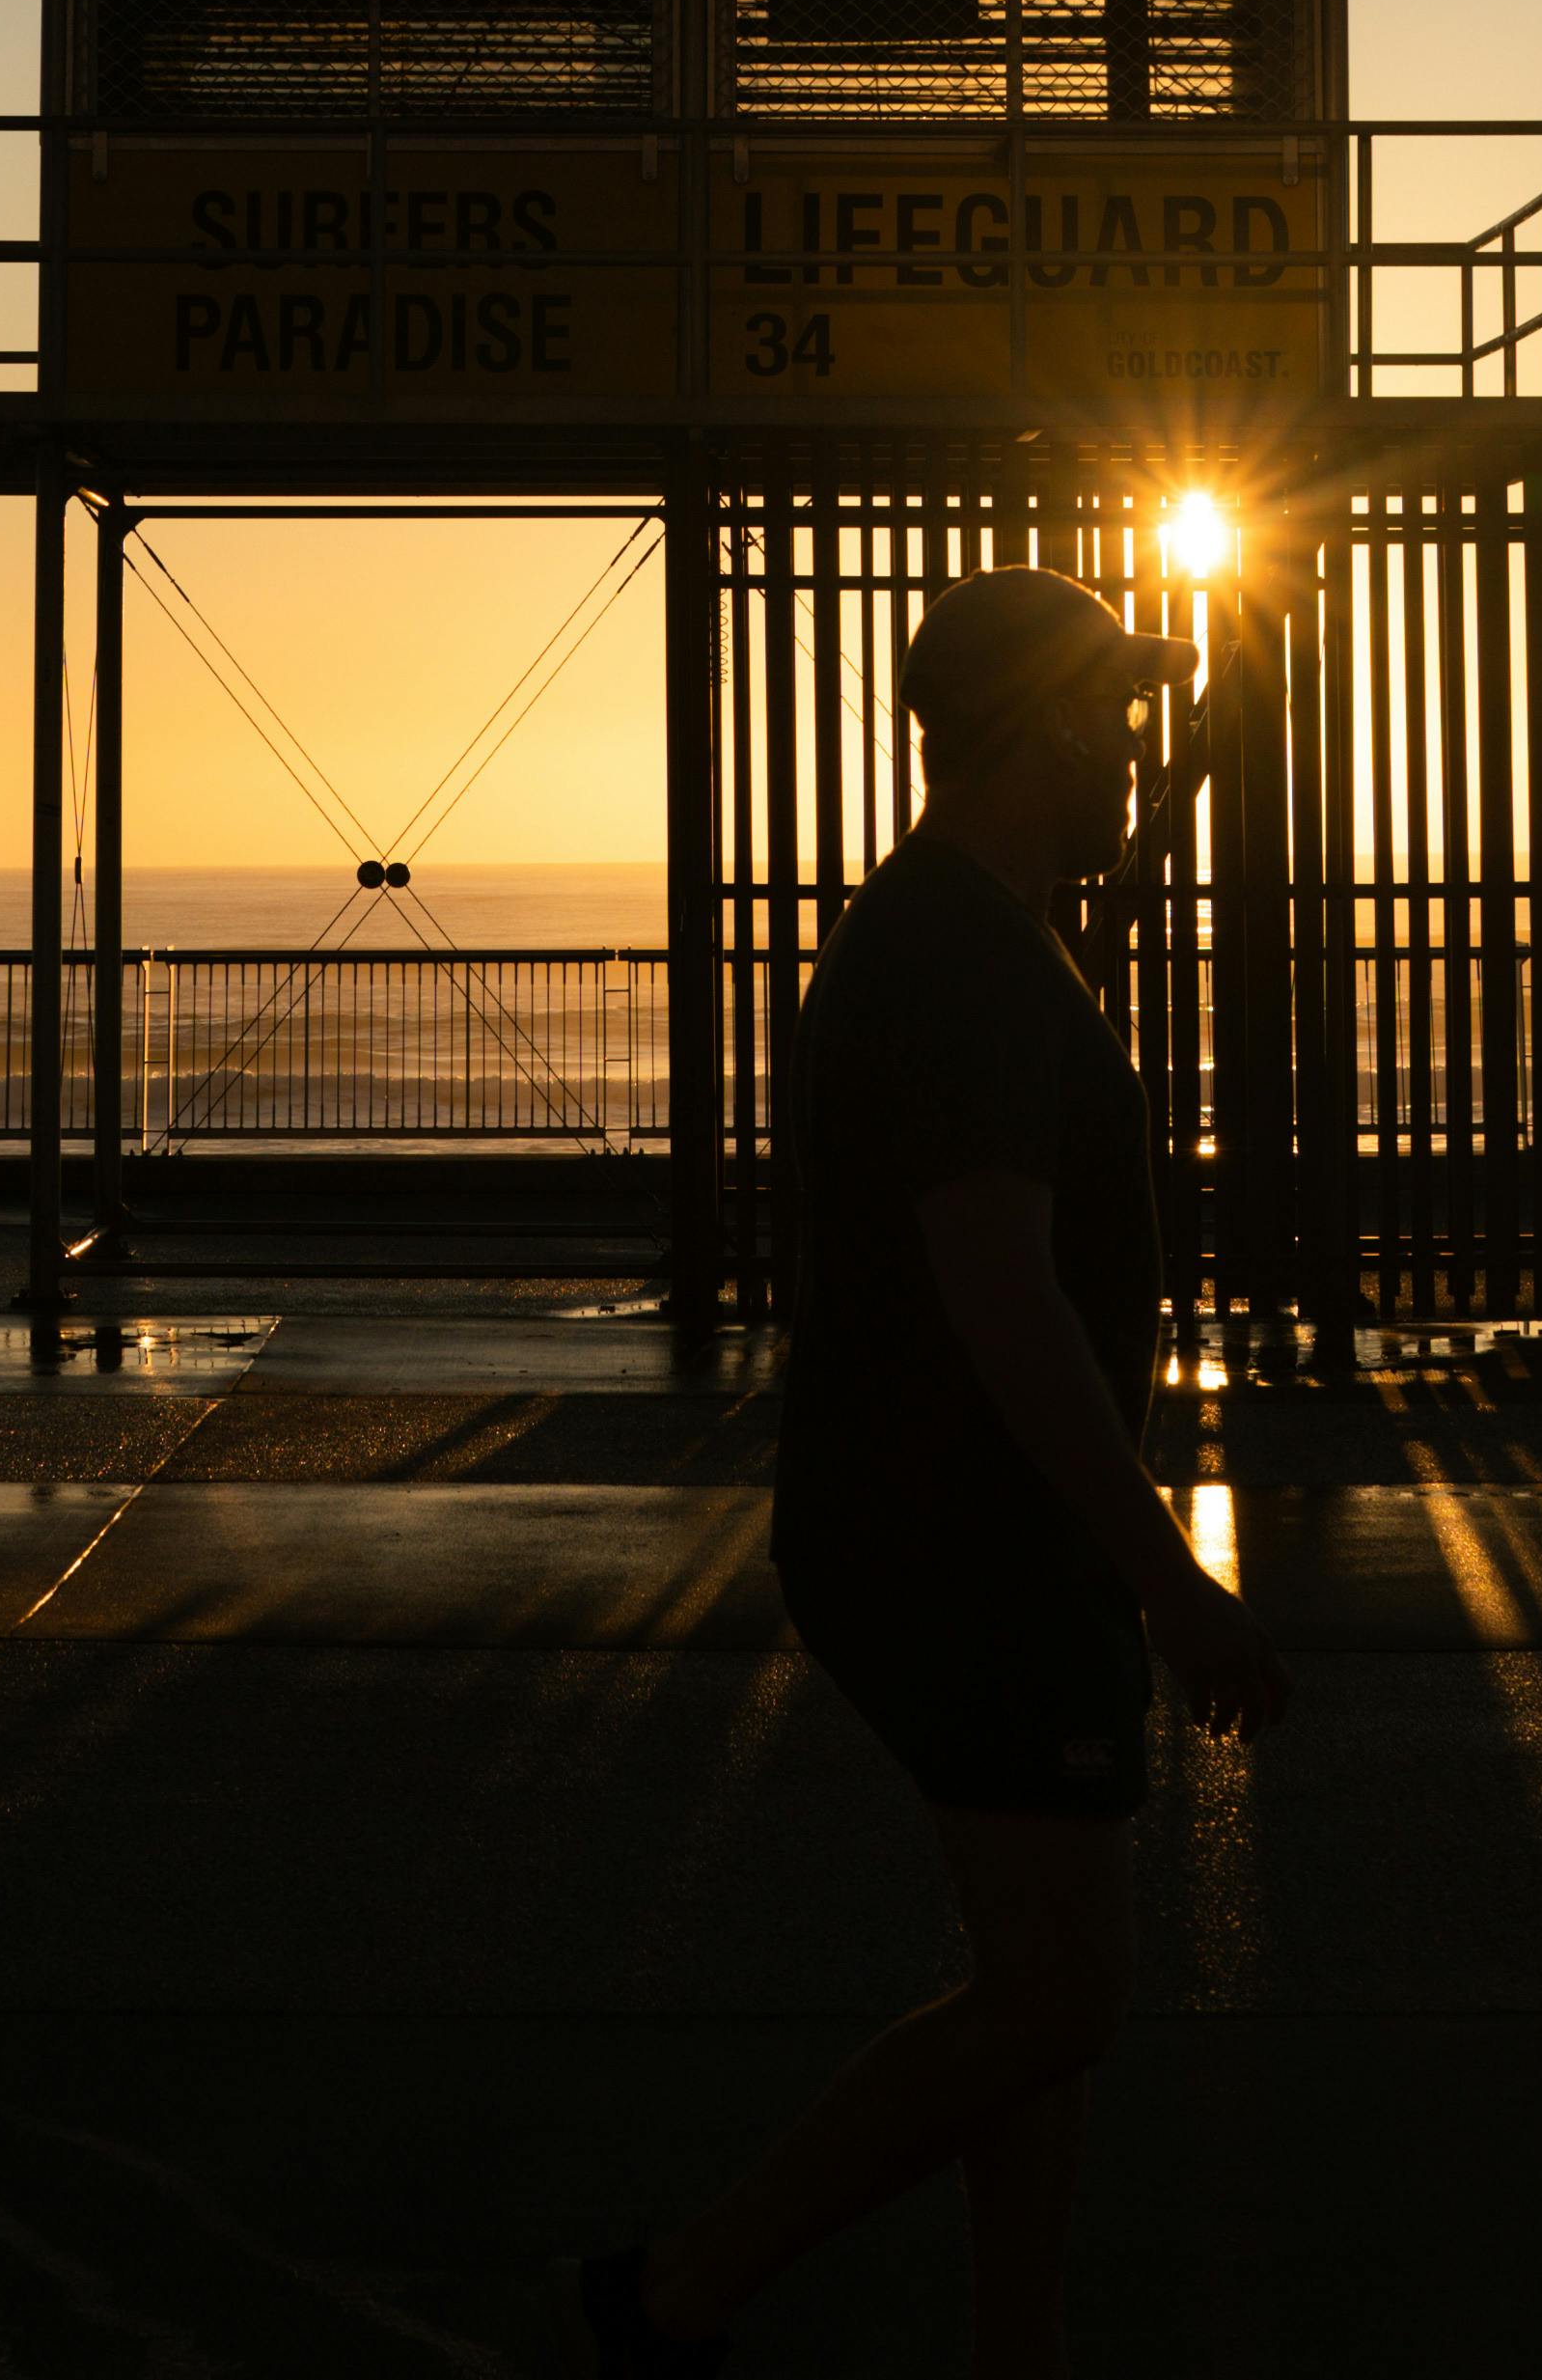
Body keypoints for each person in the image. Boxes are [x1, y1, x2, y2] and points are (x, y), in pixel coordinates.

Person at [558, 563, 1292, 2379]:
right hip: (966, 1533)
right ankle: (681, 2290)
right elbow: (1001, 1292)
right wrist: (1170, 1577)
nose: (1132, 743)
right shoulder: (960, 957)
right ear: (1043, 718)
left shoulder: (974, 925)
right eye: (1115, 713)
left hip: (956, 1521)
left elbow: (1044, 1023)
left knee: (1030, 1995)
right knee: (1064, 1988)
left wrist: (1181, 786)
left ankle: (1012, 2354)